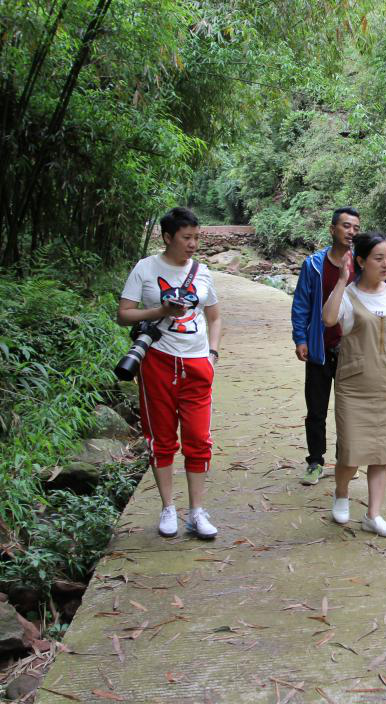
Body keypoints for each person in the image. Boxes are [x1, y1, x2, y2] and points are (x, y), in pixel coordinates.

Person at [118, 207, 222, 540]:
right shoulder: (146, 268)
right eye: (186, 238)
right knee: (161, 438)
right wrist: (161, 310)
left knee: (198, 438)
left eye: (196, 238)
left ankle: (197, 511)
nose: (193, 244)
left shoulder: (202, 273)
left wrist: (212, 354)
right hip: (158, 362)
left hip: (197, 364)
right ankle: (167, 508)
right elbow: (124, 314)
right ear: (167, 237)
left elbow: (215, 317)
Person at [322, 232, 386, 537]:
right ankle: (341, 493)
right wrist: (342, 280)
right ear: (360, 261)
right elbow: (328, 319)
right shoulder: (348, 296)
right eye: (378, 258)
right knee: (351, 452)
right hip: (354, 387)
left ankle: (373, 514)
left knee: (382, 452)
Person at [291, 207, 362, 485]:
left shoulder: (360, 264)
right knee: (316, 410)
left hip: (350, 350)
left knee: (349, 410)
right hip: (319, 347)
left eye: (356, 228)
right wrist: (300, 338)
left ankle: (346, 461)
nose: (351, 232)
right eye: (346, 226)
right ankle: (315, 462)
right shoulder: (313, 265)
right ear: (332, 229)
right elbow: (301, 303)